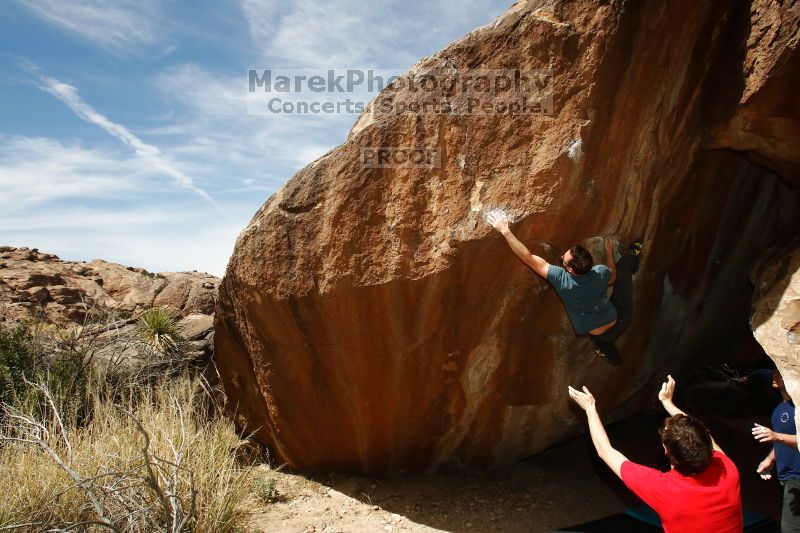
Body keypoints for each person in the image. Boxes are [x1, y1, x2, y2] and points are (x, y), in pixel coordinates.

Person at [568, 375, 743, 532]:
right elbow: (706, 435)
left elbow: (605, 451)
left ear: (666, 451)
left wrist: (590, 408)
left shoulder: (664, 490)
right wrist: (668, 403)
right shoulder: (727, 469)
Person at [485, 210, 641, 364]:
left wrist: (505, 231)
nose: (561, 258)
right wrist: (609, 254)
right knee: (624, 266)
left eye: (564, 261)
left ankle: (611, 356)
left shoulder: (561, 280)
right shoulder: (600, 272)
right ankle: (633, 255)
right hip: (620, 318)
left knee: (605, 343)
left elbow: (528, 258)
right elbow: (613, 277)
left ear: (571, 270)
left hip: (599, 334)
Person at [753, 369, 800, 532]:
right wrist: (770, 459)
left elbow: (781, 437)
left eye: (779, 372)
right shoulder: (779, 408)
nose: (774, 375)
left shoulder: (798, 406)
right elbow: (782, 439)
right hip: (786, 477)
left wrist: (776, 436)